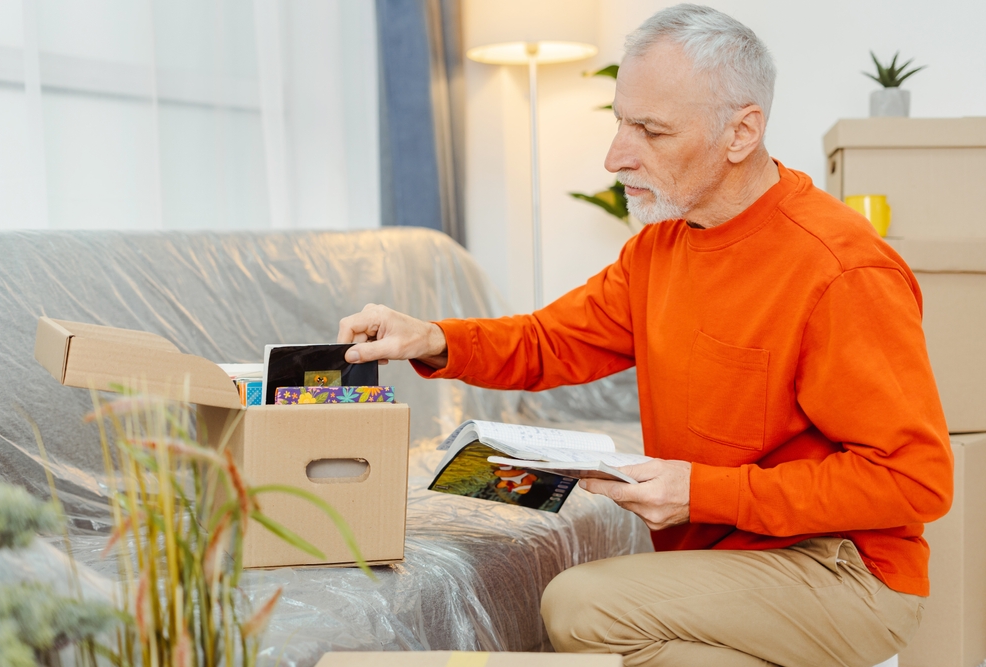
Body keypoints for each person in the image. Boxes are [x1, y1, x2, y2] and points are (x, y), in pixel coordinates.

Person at [338, 4, 953, 666]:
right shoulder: (660, 248)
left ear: (741, 132)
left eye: (650, 131)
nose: (615, 155)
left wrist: (699, 490)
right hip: (731, 565)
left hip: (844, 572)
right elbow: (551, 341)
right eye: (620, 122)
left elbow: (916, 481)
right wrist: (431, 336)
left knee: (579, 605)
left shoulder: (840, 270)